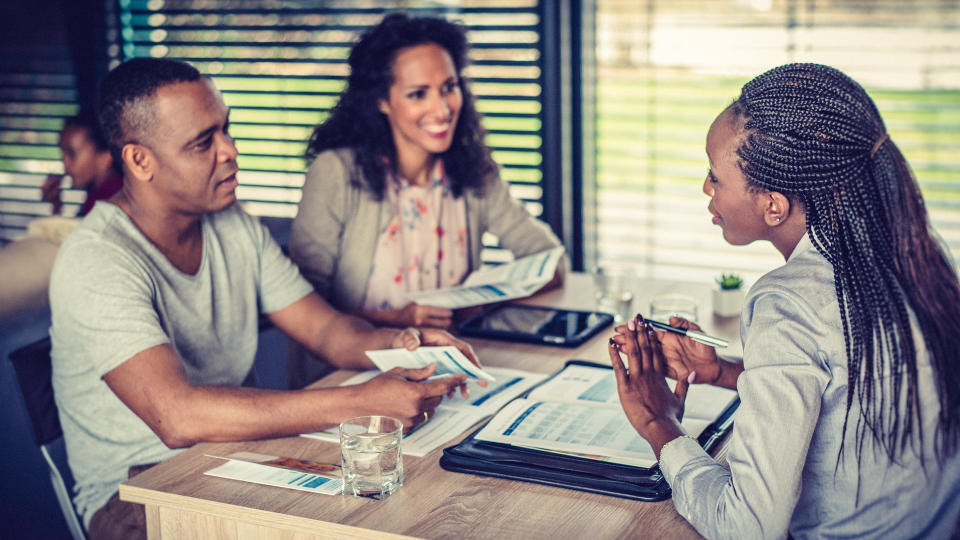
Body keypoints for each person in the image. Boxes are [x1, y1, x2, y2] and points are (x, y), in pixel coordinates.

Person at [49, 57, 480, 540]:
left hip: (238, 457)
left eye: (225, 130)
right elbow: (178, 417)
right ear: (140, 160)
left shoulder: (233, 225)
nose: (230, 150)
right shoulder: (97, 259)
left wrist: (408, 345)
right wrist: (360, 401)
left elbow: (326, 329)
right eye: (202, 143)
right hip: (138, 493)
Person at [609, 63, 960, 539]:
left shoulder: (786, 303)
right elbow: (849, 388)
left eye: (716, 176)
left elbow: (748, 527)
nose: (706, 188)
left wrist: (659, 423)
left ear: (773, 205)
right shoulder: (920, 252)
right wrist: (725, 371)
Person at [289, 13, 563, 332]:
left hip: (453, 364)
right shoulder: (335, 174)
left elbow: (550, 260)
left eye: (449, 87)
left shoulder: (475, 171)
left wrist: (484, 301)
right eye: (418, 94)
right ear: (381, 101)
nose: (442, 109)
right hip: (353, 375)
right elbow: (302, 306)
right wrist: (394, 322)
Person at [41, 110, 123, 216]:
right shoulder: (101, 193)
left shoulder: (106, 201)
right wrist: (57, 206)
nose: (64, 162)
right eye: (63, 154)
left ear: (105, 157)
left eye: (72, 154)